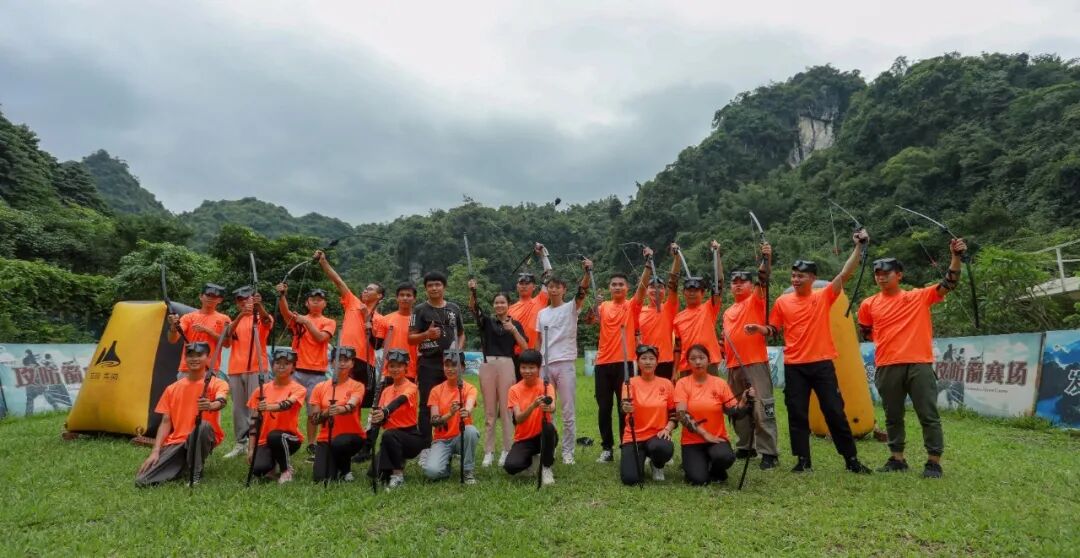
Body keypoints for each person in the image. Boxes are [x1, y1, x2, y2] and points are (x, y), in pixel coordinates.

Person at [744, 229, 873, 474]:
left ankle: (851, 460)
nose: (795, 279)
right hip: (795, 367)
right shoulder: (782, 301)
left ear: (813, 278)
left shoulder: (824, 296)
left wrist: (859, 247)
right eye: (793, 275)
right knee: (797, 414)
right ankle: (803, 461)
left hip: (822, 364)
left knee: (834, 411)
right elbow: (774, 328)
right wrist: (760, 329)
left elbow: (845, 273)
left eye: (800, 276)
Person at [856, 237, 967, 479]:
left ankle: (933, 462)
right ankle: (897, 459)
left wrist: (956, 256)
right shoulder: (868, 304)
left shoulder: (918, 296)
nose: (881, 277)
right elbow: (865, 330)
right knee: (893, 415)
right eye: (877, 273)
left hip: (919, 364)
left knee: (928, 414)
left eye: (886, 273)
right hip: (886, 365)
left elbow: (949, 283)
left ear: (899, 275)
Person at [586, 247, 653, 463]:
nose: (617, 287)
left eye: (621, 284)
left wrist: (648, 264)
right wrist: (593, 306)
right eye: (614, 284)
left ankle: (626, 444)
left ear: (627, 288)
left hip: (625, 363)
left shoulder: (632, 306)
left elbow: (643, 287)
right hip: (603, 363)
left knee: (625, 407)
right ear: (609, 287)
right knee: (604, 408)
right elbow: (589, 320)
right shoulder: (603, 306)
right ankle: (607, 448)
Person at [136, 342, 229, 486]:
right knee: (142, 480)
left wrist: (211, 405)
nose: (194, 359)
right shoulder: (172, 389)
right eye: (190, 356)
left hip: (203, 436)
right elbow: (166, 422)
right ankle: (184, 465)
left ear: (208, 358)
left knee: (203, 426)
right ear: (185, 358)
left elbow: (221, 400)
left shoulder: (217, 383)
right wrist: (155, 451)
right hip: (177, 441)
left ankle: (196, 472)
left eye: (199, 355)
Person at [722, 242, 780, 470]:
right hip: (733, 366)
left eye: (742, 281)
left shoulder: (755, 300)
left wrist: (766, 258)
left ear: (750, 285)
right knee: (739, 408)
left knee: (762, 407)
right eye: (734, 282)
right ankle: (746, 446)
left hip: (755, 363)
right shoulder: (727, 311)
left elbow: (763, 278)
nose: (737, 285)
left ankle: (769, 452)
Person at [467, 281, 529, 468]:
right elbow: (473, 308)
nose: (499, 305)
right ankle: (489, 451)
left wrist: (513, 330)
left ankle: (507, 449)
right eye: (496, 302)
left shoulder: (515, 324)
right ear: (493, 305)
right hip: (488, 364)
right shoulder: (487, 321)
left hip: (507, 364)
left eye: (503, 302)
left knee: (507, 409)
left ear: (508, 305)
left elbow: (525, 347)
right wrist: (473, 290)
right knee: (490, 411)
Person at [536, 261, 592, 464]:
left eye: (557, 287)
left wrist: (587, 272)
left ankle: (568, 452)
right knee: (546, 409)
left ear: (564, 290)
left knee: (568, 410)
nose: (553, 289)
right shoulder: (542, 313)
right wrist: (537, 361)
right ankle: (548, 447)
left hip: (565, 363)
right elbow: (539, 340)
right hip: (545, 364)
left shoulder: (571, 308)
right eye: (551, 286)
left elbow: (582, 292)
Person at [674, 344, 755, 485]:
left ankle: (715, 468)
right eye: (693, 358)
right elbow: (681, 415)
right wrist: (704, 434)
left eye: (701, 358)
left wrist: (743, 401)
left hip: (717, 439)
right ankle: (699, 464)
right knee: (698, 480)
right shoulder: (682, 383)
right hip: (692, 441)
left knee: (725, 457)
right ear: (687, 362)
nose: (698, 362)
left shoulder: (720, 383)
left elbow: (733, 411)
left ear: (709, 360)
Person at [276, 283, 337, 462]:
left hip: (317, 373)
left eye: (320, 300)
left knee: (313, 413)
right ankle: (288, 437)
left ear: (324, 304)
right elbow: (285, 313)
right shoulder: (299, 319)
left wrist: (307, 322)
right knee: (288, 408)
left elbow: (321, 338)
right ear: (307, 302)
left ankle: (312, 443)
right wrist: (282, 295)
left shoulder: (329, 322)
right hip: (296, 371)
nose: (316, 302)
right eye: (313, 299)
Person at [316, 249, 385, 406]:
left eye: (370, 289)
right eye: (365, 288)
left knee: (357, 402)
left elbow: (377, 345)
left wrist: (367, 318)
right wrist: (324, 262)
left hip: (364, 362)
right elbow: (338, 282)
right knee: (339, 397)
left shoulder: (381, 319)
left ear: (379, 296)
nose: (365, 290)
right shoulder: (353, 302)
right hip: (344, 356)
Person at [409, 271, 465, 454]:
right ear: (425, 289)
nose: (434, 288)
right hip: (429, 363)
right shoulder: (419, 310)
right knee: (427, 404)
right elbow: (410, 338)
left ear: (444, 287)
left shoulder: (454, 308)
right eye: (430, 285)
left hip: (451, 363)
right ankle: (425, 446)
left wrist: (458, 351)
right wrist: (426, 334)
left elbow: (461, 334)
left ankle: (452, 442)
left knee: (454, 402)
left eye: (437, 284)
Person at [222, 287, 274, 459]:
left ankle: (259, 441)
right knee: (238, 409)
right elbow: (227, 335)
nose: (244, 302)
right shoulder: (234, 320)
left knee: (257, 407)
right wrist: (240, 316)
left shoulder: (261, 317)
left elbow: (267, 321)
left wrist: (259, 307)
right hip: (236, 369)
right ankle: (241, 443)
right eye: (240, 300)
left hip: (257, 368)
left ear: (254, 299)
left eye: (247, 298)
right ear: (237, 303)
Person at [246, 348, 307, 483]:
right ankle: (273, 464)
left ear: (293, 368)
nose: (281, 366)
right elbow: (254, 422)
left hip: (289, 438)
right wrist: (251, 449)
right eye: (278, 363)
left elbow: (288, 404)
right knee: (259, 469)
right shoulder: (260, 390)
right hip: (264, 440)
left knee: (275, 436)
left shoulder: (298, 389)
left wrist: (268, 407)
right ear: (272, 365)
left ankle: (286, 470)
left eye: (286, 363)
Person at [619, 345, 677, 484]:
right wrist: (625, 407)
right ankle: (639, 458)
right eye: (644, 358)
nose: (648, 362)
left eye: (651, 359)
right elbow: (624, 405)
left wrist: (667, 429)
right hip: (633, 437)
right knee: (630, 479)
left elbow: (674, 414)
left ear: (657, 362)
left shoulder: (667, 384)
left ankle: (657, 465)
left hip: (657, 436)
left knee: (663, 448)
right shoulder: (629, 383)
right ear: (638, 362)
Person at [310, 346, 366, 482]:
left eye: (346, 360)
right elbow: (314, 420)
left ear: (352, 363)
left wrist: (341, 409)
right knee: (321, 478)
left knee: (340, 443)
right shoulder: (319, 387)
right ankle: (336, 466)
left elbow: (352, 404)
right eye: (338, 360)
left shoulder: (357, 386)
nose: (342, 363)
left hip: (351, 437)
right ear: (331, 363)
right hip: (326, 438)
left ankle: (346, 470)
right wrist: (326, 413)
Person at [423, 350, 480, 484]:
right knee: (432, 473)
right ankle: (444, 461)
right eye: (447, 365)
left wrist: (467, 411)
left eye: (454, 365)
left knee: (471, 431)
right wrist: (450, 414)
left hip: (461, 437)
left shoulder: (470, 388)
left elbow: (470, 402)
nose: (450, 369)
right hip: (441, 440)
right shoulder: (436, 390)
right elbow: (434, 422)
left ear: (463, 368)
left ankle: (467, 471)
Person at [503, 349, 558, 485]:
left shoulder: (547, 386)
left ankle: (546, 467)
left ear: (539, 368)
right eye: (523, 367)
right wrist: (533, 406)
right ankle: (531, 461)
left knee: (549, 428)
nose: (527, 371)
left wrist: (548, 407)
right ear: (519, 368)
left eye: (531, 367)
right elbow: (518, 418)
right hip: (523, 438)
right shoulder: (514, 390)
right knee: (511, 466)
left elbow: (553, 406)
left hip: (543, 435)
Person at [371, 349, 424, 490]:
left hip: (410, 436)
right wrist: (376, 418)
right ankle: (396, 460)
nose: (395, 369)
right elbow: (381, 417)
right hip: (390, 438)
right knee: (375, 473)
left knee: (389, 434)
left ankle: (398, 475)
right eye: (392, 366)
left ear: (406, 367)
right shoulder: (386, 391)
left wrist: (385, 411)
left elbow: (400, 400)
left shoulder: (412, 387)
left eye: (399, 366)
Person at [671, 242, 724, 375]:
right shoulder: (678, 318)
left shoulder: (709, 308)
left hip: (708, 362)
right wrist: (674, 371)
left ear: (703, 293)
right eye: (689, 290)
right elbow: (677, 347)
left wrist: (717, 255)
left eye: (696, 290)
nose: (692, 293)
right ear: (683, 292)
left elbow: (719, 284)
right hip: (686, 365)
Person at [167, 283, 231, 374]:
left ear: (220, 300)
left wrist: (208, 331)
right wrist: (173, 327)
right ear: (201, 296)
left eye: (214, 296)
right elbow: (172, 339)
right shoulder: (188, 317)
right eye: (208, 295)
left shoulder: (225, 319)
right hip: (187, 368)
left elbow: (227, 344)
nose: (210, 298)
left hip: (210, 370)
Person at [508, 243, 554, 355]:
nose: (523, 286)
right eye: (521, 283)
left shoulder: (540, 300)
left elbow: (549, 275)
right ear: (517, 286)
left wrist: (543, 255)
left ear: (534, 287)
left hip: (535, 354)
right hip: (514, 354)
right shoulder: (509, 309)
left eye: (527, 283)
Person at [638, 270, 679, 381]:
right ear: (646, 290)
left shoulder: (669, 308)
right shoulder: (639, 311)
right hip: (644, 360)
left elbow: (673, 285)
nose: (656, 289)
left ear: (665, 291)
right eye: (652, 287)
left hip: (665, 362)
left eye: (660, 287)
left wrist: (677, 260)